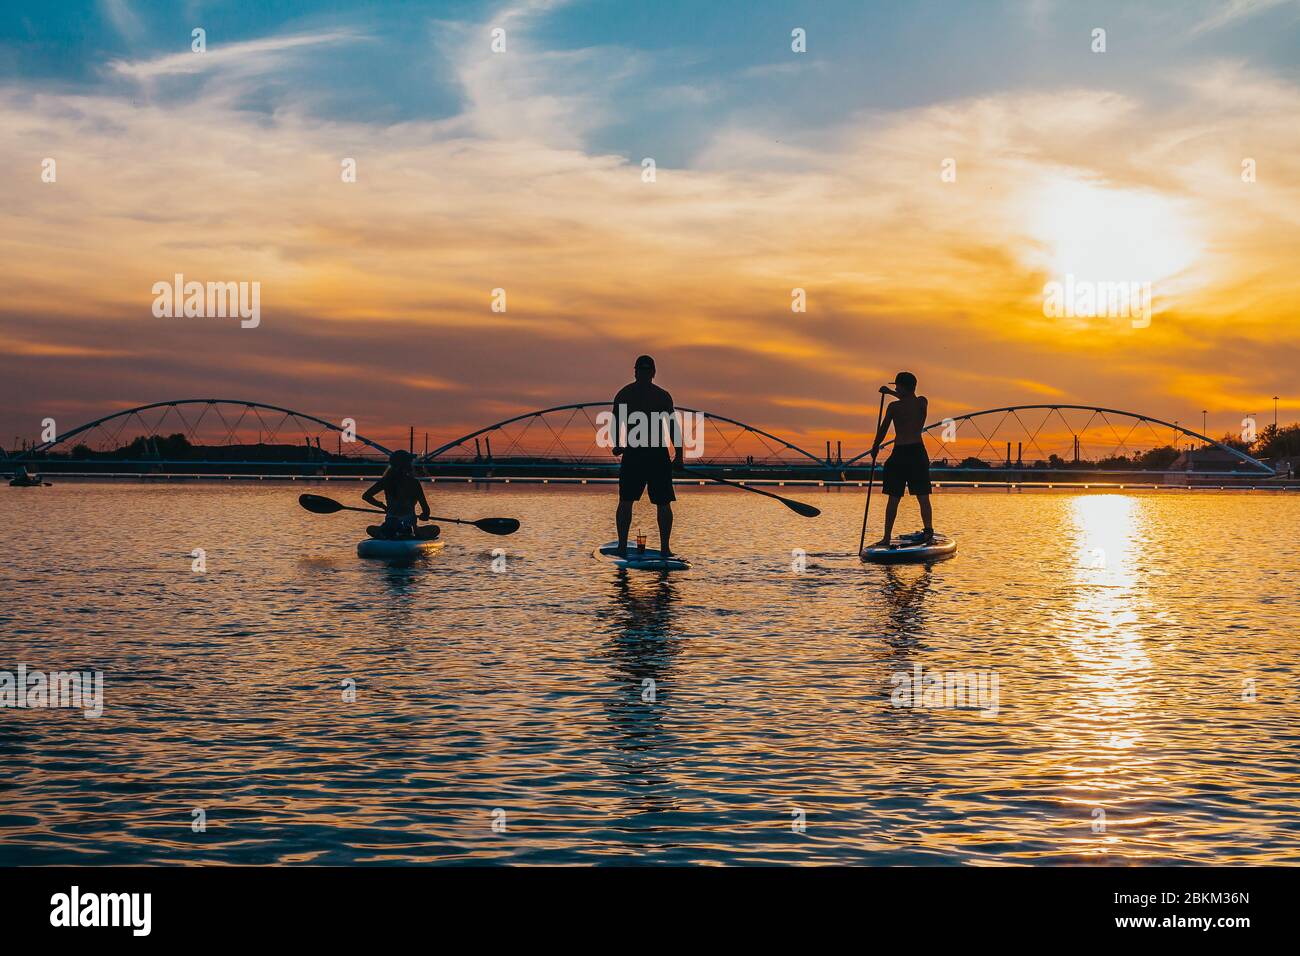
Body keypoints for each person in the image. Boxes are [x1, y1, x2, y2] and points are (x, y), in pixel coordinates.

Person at [611, 355, 684, 557]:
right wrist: (678, 455)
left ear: (648, 373)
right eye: (641, 371)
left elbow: (616, 424)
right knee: (650, 502)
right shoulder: (660, 396)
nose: (642, 374)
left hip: (641, 454)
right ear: (652, 373)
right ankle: (661, 549)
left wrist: (617, 445)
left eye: (643, 371)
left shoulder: (625, 394)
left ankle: (626, 547)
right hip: (652, 454)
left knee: (632, 500)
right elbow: (673, 428)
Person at [868, 371, 934, 548]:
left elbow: (882, 431)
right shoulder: (921, 403)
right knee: (912, 496)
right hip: (915, 454)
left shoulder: (896, 407)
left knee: (909, 496)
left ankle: (892, 537)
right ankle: (921, 532)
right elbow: (884, 429)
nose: (895, 388)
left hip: (903, 454)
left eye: (897, 386)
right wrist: (875, 446)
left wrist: (875, 447)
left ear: (904, 387)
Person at [362, 450, 435, 540]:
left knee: (370, 529)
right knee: (435, 529)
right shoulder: (414, 483)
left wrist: (383, 506)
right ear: (407, 464)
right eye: (410, 462)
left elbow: (366, 496)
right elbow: (426, 510)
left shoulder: (386, 481)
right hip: (410, 527)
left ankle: (387, 535)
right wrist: (424, 515)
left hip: (389, 526)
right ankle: (410, 535)